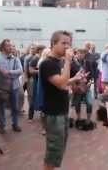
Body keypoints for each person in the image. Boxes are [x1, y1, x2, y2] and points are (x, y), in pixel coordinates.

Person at [39, 31, 83, 170]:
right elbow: (60, 83)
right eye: (63, 43)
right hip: (53, 113)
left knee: (58, 151)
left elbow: (62, 83)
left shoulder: (58, 62)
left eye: (69, 43)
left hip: (61, 111)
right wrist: (69, 61)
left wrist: (74, 79)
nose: (67, 46)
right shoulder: (47, 63)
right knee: (53, 153)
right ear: (53, 44)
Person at [0, 39, 23, 134]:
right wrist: (8, 73)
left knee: (15, 106)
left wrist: (10, 72)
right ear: (2, 47)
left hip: (14, 86)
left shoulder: (15, 58)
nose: (10, 47)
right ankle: (2, 126)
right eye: (8, 46)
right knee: (1, 106)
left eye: (11, 45)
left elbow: (20, 71)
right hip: (2, 86)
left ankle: (15, 124)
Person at [71, 48, 93, 122]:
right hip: (77, 87)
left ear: (84, 54)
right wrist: (74, 85)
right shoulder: (72, 64)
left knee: (89, 103)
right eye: (79, 53)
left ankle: (88, 120)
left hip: (87, 86)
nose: (80, 55)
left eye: (82, 53)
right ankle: (79, 118)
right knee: (77, 103)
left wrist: (90, 82)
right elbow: (70, 76)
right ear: (76, 54)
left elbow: (92, 74)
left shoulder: (88, 63)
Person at [28, 44, 46, 122]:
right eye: (44, 50)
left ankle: (42, 115)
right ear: (40, 51)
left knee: (42, 98)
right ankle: (30, 117)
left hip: (42, 81)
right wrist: (40, 71)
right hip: (35, 81)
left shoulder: (44, 59)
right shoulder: (35, 59)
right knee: (33, 98)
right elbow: (30, 70)